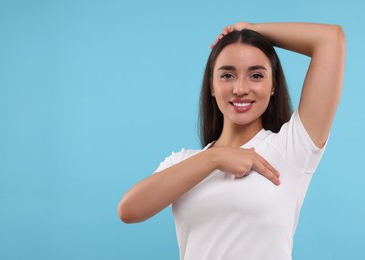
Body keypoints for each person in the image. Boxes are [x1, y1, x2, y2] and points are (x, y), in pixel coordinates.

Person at [118, 22, 345, 260]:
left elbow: (331, 39)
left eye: (256, 75)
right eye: (227, 75)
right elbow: (129, 210)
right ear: (211, 86)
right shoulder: (184, 161)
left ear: (273, 85)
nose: (240, 88)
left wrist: (251, 29)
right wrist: (214, 158)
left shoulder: (291, 149)